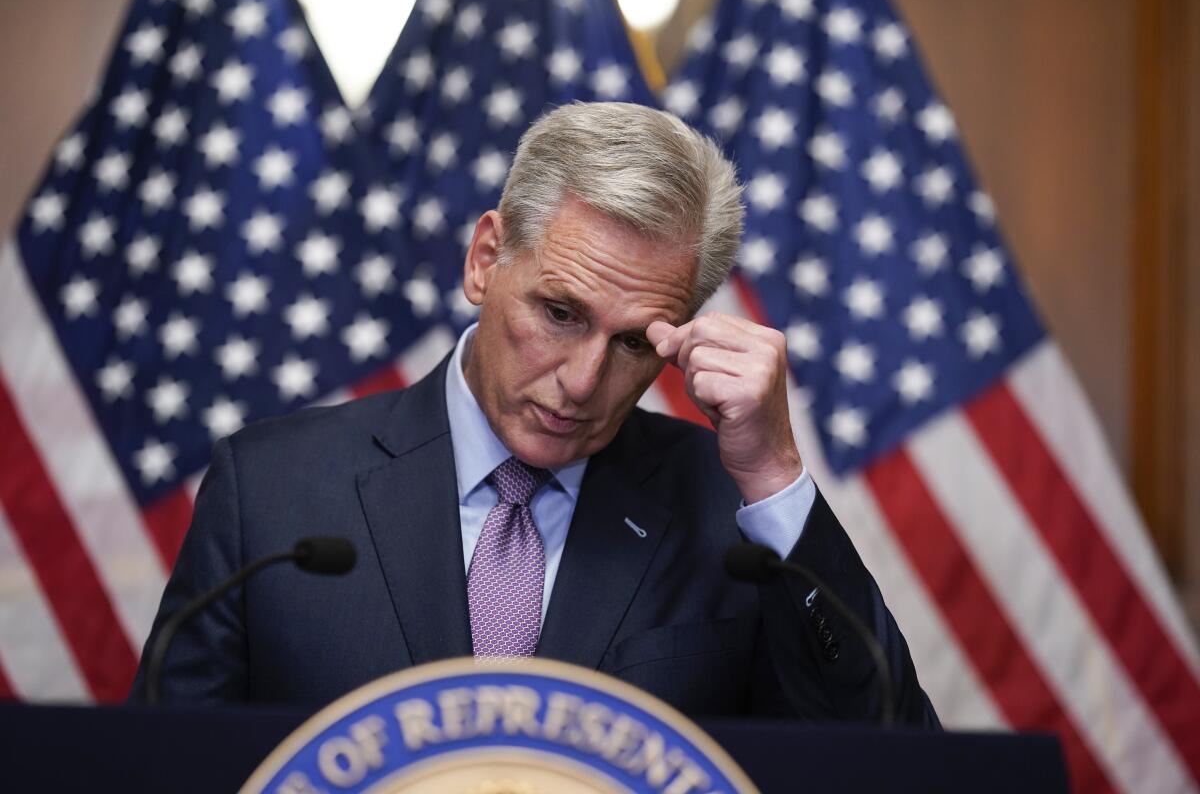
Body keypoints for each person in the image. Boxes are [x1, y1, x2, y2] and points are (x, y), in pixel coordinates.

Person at [130, 102, 938, 726]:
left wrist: (773, 477)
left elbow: (888, 761)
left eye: (633, 344)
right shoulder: (271, 493)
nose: (584, 383)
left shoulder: (731, 511)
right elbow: (164, 772)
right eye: (559, 313)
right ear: (486, 260)